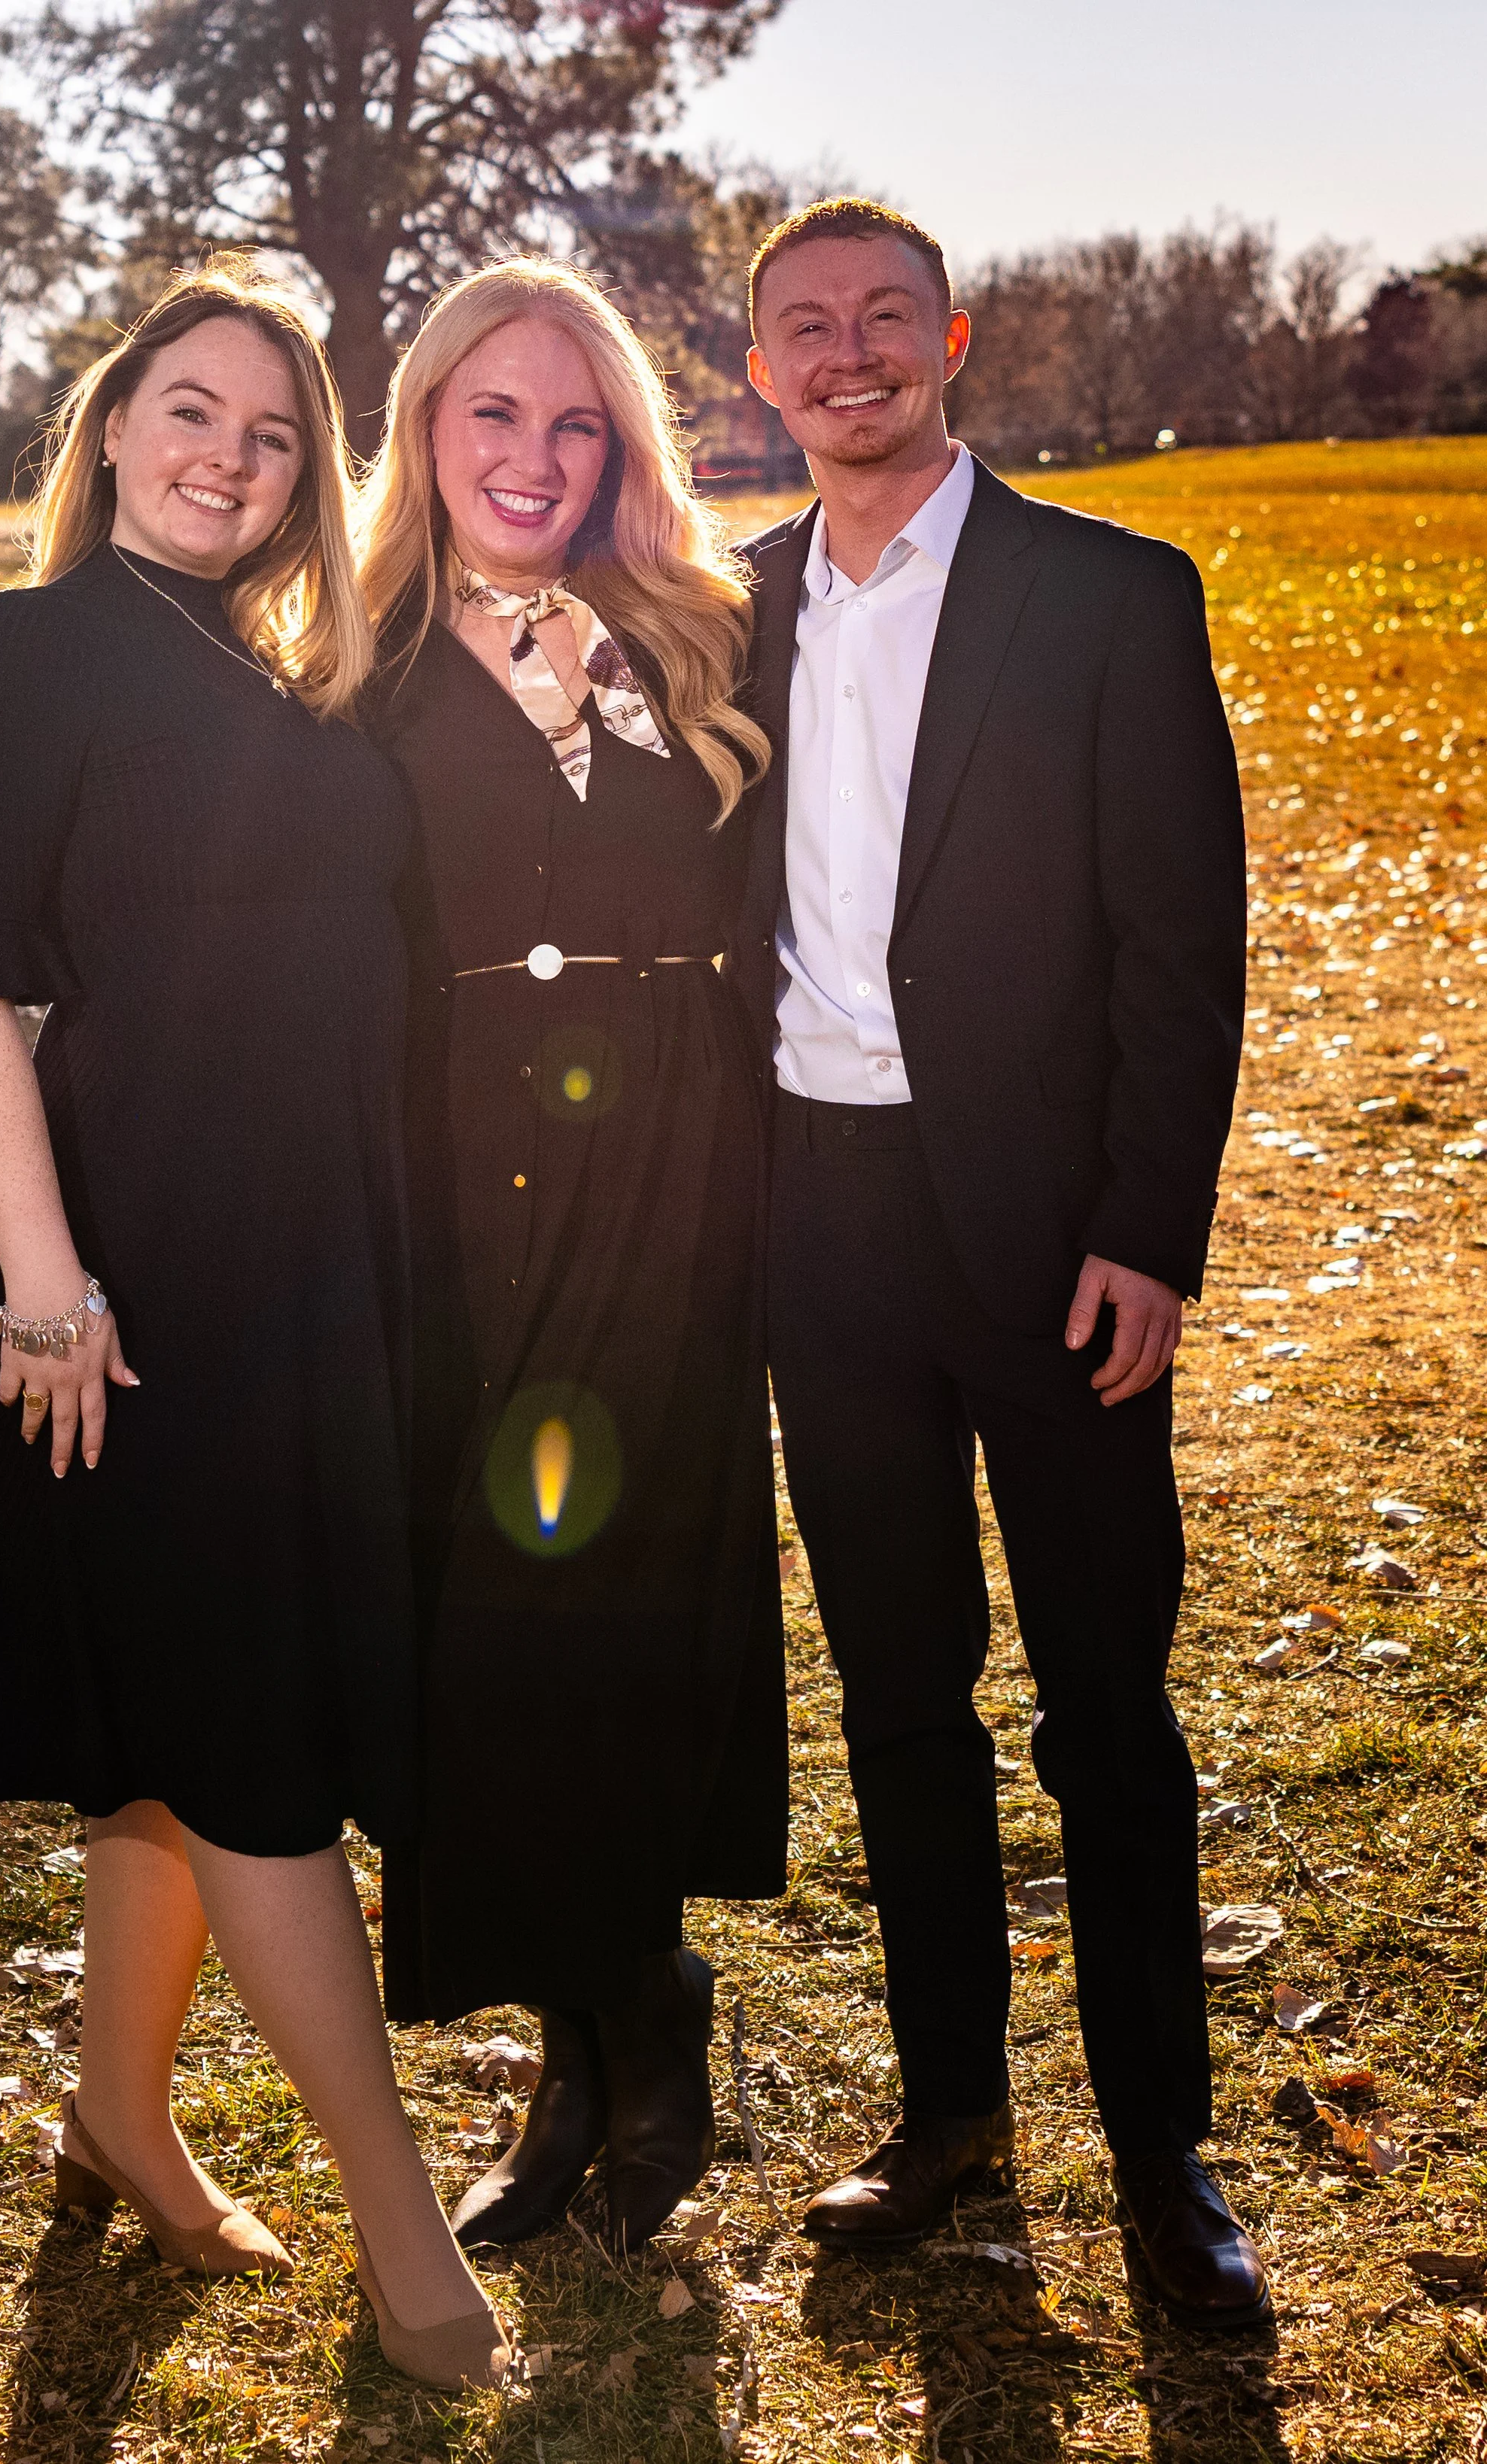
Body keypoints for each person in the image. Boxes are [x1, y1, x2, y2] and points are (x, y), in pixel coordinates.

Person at [0, 258, 507, 2390]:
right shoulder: (27, 655)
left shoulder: (273, 668)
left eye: (268, 433)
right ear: (115, 424)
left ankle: (118, 2116)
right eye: (190, 411)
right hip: (122, 1272)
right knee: (246, 1743)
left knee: (175, 1719)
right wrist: (45, 1285)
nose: (226, 455)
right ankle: (404, 2241)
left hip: (312, 1255)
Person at [730, 199, 1267, 2328]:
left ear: (946, 340)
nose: (847, 354)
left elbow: (1181, 940)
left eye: (883, 318)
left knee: (1105, 1708)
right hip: (817, 1225)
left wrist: (1150, 1230)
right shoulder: (719, 606)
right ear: (753, 367)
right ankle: (948, 2109)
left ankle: (1161, 2150)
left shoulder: (1106, 597)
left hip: (1049, 1240)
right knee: (894, 1692)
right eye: (803, 329)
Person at [357, 258, 789, 2253]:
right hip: (455, 1201)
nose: (532, 457)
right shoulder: (349, 670)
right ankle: (592, 2038)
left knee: (624, 1601)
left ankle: (636, 2024)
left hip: (671, 1187)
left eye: (574, 420)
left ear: (619, 445)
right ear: (424, 435)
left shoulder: (699, 639)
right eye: (491, 417)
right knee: (490, 1624)